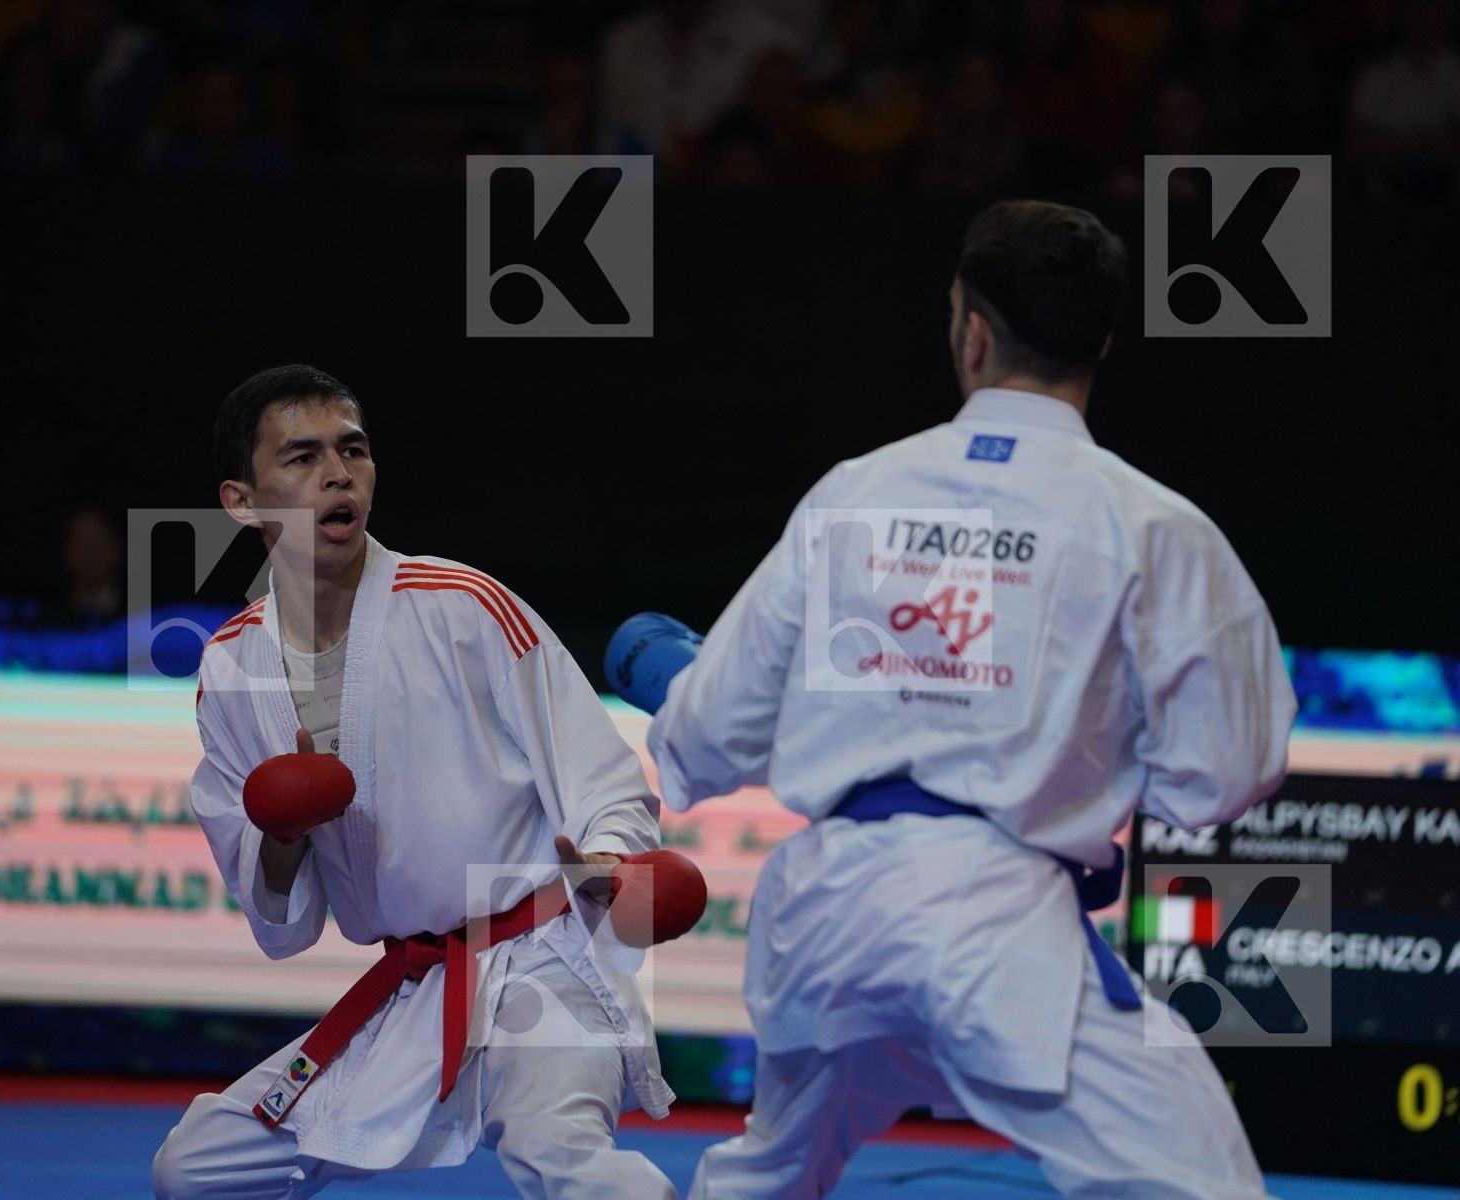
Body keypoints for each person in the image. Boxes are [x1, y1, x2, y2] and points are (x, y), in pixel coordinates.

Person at [617, 200, 1294, 1198]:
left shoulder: (855, 493)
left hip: (829, 917)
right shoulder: (1155, 527)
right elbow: (1226, 774)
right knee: (1197, 1184)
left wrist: (676, 675)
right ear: (1103, 340)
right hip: (996, 921)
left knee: (768, 1175)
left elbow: (708, 738)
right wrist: (1081, 775)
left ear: (970, 329)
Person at [151, 365, 677, 1199]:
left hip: (541, 965)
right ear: (241, 501)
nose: (336, 474)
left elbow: (602, 775)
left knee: (568, 1161)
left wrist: (611, 862)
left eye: (352, 451)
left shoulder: (463, 606)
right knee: (198, 1169)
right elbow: (280, 921)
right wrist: (282, 836)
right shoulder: (232, 667)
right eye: (301, 458)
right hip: (414, 991)